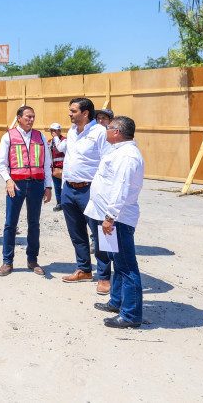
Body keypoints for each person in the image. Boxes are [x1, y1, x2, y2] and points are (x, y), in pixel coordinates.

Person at [84, 116, 145, 328]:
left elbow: (121, 188)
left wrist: (110, 218)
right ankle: (116, 302)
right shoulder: (118, 151)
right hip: (107, 218)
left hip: (117, 220)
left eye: (108, 128)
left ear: (117, 132)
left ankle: (131, 315)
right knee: (117, 263)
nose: (106, 130)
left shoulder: (127, 156)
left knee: (127, 266)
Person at [58, 98, 111, 295]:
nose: (70, 114)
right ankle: (84, 270)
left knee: (99, 235)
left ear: (85, 113)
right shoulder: (72, 132)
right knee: (77, 233)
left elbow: (107, 162)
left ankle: (105, 277)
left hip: (90, 190)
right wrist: (64, 186)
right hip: (69, 190)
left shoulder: (99, 132)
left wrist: (102, 190)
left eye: (73, 111)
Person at [0, 106, 52, 277]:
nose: (31, 119)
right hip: (17, 184)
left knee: (34, 223)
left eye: (33, 116)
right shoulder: (8, 137)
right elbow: (1, 164)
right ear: (19, 117)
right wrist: (8, 180)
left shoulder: (40, 136)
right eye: (28, 116)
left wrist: (48, 186)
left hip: (36, 184)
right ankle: (7, 261)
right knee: (10, 223)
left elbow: (46, 164)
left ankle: (32, 260)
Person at [48, 123, 65, 212]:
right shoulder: (50, 142)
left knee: (65, 187)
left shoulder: (64, 140)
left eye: (54, 130)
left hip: (64, 168)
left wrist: (56, 138)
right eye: (51, 130)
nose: (52, 132)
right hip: (55, 168)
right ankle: (59, 203)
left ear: (59, 131)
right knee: (57, 186)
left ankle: (66, 203)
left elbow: (60, 149)